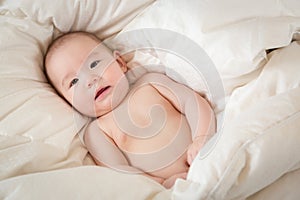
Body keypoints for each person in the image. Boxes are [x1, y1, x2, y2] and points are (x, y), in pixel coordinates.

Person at [44, 31, 216, 188]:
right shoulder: (97, 131)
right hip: (173, 188)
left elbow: (192, 102)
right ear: (67, 102)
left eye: (94, 63)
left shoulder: (151, 83)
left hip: (210, 155)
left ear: (120, 63)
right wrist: (163, 184)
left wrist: (202, 137)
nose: (90, 80)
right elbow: (120, 172)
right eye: (73, 82)